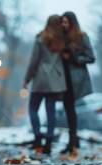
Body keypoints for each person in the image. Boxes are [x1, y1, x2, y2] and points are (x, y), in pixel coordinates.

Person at [23, 15, 67, 155]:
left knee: (32, 108)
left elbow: (33, 60)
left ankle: (37, 137)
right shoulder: (62, 41)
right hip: (55, 80)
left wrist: (27, 79)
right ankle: (48, 143)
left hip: (41, 79)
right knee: (51, 111)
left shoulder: (41, 38)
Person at [59, 11, 95, 154]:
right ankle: (73, 138)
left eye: (66, 22)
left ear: (72, 23)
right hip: (63, 77)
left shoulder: (81, 36)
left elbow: (91, 57)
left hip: (76, 78)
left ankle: (72, 139)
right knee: (67, 108)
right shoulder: (60, 38)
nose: (63, 25)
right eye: (62, 22)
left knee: (71, 108)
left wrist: (75, 58)